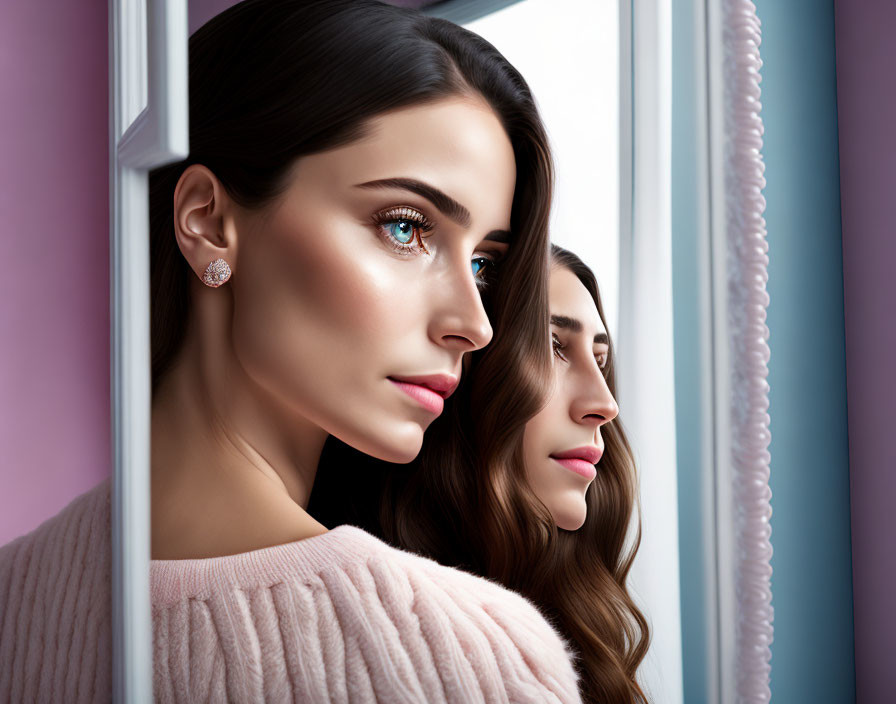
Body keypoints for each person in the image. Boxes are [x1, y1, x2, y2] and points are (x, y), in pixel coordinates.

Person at [0, 1, 584, 701]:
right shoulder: (473, 660)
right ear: (208, 222)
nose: (476, 324)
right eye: (406, 228)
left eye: (484, 264)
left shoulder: (15, 592)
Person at [312, 244, 650, 702]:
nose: (604, 405)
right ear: (456, 372)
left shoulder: (574, 627)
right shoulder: (362, 640)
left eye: (601, 360)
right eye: (552, 347)